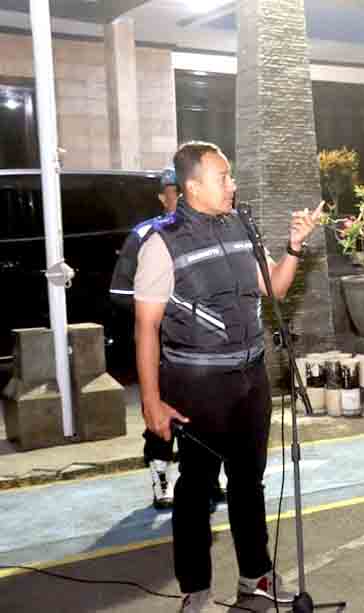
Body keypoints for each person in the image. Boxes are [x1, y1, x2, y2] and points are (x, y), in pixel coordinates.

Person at [134, 141, 322, 611]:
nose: (232, 185)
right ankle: (195, 588)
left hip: (250, 379)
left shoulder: (240, 226)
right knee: (195, 489)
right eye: (223, 177)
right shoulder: (161, 242)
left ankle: (255, 575)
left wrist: (294, 246)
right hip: (196, 386)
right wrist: (151, 402)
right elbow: (146, 327)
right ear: (193, 186)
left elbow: (275, 287)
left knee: (248, 482)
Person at [110, 167, 225, 513]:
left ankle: (209, 477)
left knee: (206, 413)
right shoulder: (146, 234)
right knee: (161, 411)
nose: (182, 196)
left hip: (203, 347)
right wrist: (163, 312)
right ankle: (161, 476)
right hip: (162, 345)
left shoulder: (212, 229)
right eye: (174, 191)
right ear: (163, 197)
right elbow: (120, 292)